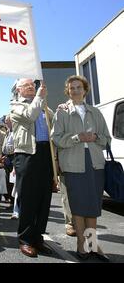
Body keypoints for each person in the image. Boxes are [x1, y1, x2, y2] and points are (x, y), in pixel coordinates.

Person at [51, 75, 111, 261]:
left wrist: (95, 138)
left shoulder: (95, 112)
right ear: (68, 91)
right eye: (71, 88)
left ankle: (92, 244)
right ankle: (80, 245)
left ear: (85, 90)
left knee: (92, 206)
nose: (75, 90)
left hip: (94, 163)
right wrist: (77, 137)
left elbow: (106, 139)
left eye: (78, 87)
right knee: (78, 206)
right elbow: (57, 138)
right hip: (73, 163)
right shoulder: (61, 112)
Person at [10, 78, 54, 257]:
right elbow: (30, 115)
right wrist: (39, 97)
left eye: (32, 85)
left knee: (44, 198)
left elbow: (52, 120)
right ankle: (25, 239)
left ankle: (38, 237)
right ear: (18, 89)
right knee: (28, 198)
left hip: (45, 153)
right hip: (27, 154)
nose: (31, 87)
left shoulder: (41, 103)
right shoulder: (15, 105)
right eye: (26, 85)